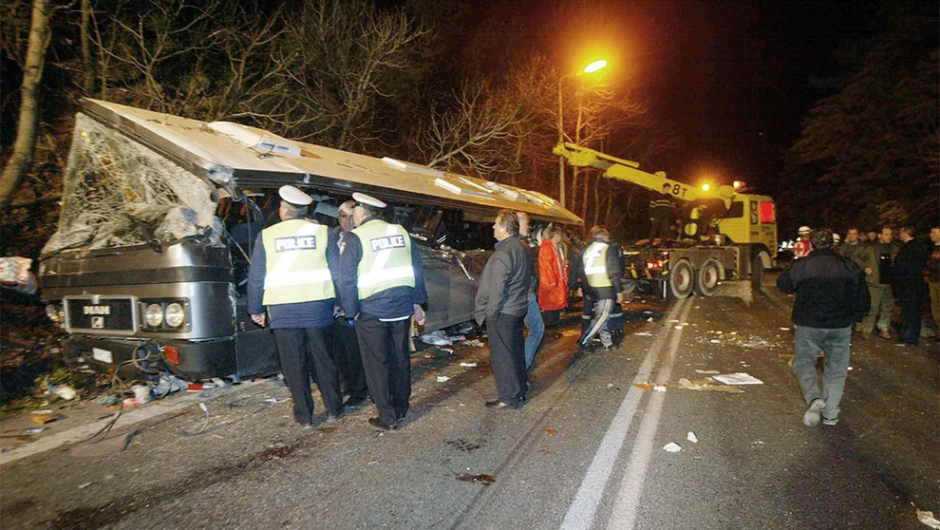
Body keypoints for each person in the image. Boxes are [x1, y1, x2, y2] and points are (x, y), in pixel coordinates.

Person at [247, 185, 344, 427]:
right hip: (318, 308)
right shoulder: (323, 233)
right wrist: (340, 303)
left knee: (293, 365)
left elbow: (256, 276)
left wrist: (255, 308)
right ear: (303, 211)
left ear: (284, 210)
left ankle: (304, 416)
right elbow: (338, 274)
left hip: (282, 310)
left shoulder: (267, 236)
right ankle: (334, 408)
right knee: (323, 360)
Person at [337, 193, 427, 431]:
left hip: (372, 311)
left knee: (377, 364)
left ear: (363, 212)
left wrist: (351, 312)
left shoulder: (355, 237)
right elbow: (416, 269)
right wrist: (417, 303)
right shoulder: (400, 232)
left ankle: (387, 417)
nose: (353, 215)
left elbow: (346, 280)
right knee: (400, 359)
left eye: (355, 210)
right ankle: (401, 407)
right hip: (400, 309)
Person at [777, 229, 869, 427]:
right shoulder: (848, 266)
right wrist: (856, 318)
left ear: (812, 244)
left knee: (803, 362)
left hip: (809, 324)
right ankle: (830, 414)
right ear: (834, 244)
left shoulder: (803, 265)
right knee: (836, 369)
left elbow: (783, 285)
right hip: (840, 325)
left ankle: (814, 398)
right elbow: (863, 295)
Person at [474, 209, 531, 409]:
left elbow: (497, 289)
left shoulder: (503, 253)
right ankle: (519, 390)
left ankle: (508, 397)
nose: (493, 227)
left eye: (496, 224)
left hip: (503, 312)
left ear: (505, 228)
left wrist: (489, 314)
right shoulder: (521, 248)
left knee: (502, 357)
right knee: (515, 352)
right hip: (517, 309)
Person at [331, 200, 368, 408]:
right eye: (342, 216)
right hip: (335, 305)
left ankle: (359, 390)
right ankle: (347, 384)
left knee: (356, 352)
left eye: (350, 216)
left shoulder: (361, 238)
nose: (346, 221)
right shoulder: (332, 236)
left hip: (355, 304)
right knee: (341, 351)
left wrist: (350, 304)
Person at [576, 226, 624, 352]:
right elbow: (613, 270)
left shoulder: (585, 249)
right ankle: (584, 340)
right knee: (603, 315)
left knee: (601, 315)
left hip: (592, 287)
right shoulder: (608, 249)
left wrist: (582, 287)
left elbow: (579, 270)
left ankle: (607, 343)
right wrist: (618, 290)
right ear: (604, 236)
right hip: (605, 286)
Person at [854, 226, 899, 340]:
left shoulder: (894, 248)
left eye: (890, 234)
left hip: (889, 282)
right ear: (880, 235)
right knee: (872, 306)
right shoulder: (870, 248)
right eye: (886, 234)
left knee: (887, 307)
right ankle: (866, 328)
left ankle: (884, 328)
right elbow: (856, 257)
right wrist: (865, 268)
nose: (889, 237)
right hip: (875, 282)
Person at [517, 212, 545, 372]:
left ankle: (520, 366)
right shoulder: (520, 246)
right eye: (526, 223)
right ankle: (523, 365)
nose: (529, 226)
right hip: (525, 295)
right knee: (537, 328)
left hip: (524, 294)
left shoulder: (516, 245)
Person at [892, 226, 928, 347]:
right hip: (917, 283)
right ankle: (913, 337)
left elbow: (901, 267)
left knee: (908, 312)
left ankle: (908, 338)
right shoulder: (920, 247)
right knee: (915, 312)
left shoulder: (907, 249)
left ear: (905, 233)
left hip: (907, 285)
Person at [538, 225, 569, 328]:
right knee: (551, 303)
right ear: (556, 235)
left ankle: (554, 322)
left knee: (555, 303)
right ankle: (550, 324)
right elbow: (547, 265)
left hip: (557, 279)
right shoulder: (547, 247)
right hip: (551, 281)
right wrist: (552, 280)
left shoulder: (556, 247)